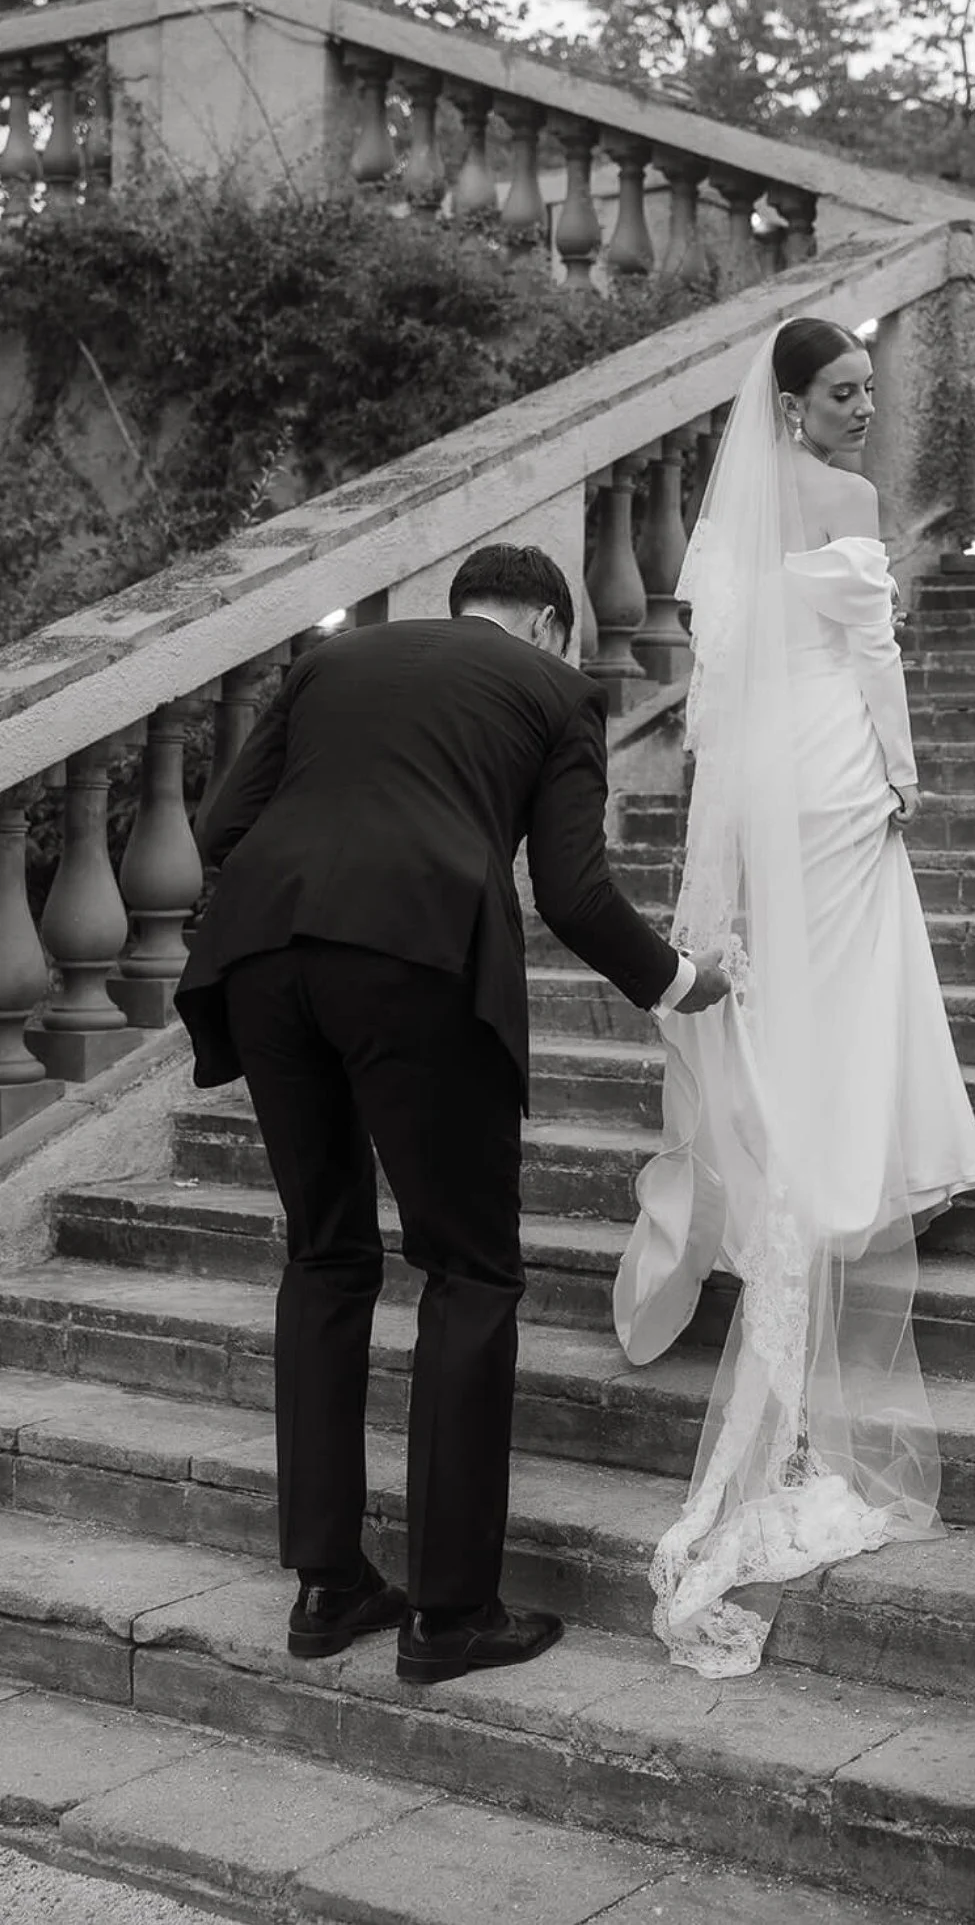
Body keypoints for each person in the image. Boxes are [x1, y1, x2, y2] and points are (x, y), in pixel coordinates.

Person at [175, 544, 729, 1685]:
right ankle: (449, 1612)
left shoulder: (334, 660)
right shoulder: (556, 690)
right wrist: (679, 979)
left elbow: (221, 823)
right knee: (469, 1271)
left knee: (326, 1253)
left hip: (264, 960)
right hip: (418, 959)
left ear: (467, 607)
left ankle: (328, 1585)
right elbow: (572, 892)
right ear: (549, 624)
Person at [612, 317, 975, 1678]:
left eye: (866, 395)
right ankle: (845, 1169)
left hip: (770, 774)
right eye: (840, 394)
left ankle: (833, 1151)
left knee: (815, 986)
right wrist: (902, 777)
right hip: (835, 771)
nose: (858, 414)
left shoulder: (722, 534)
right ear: (787, 405)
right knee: (851, 970)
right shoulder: (838, 502)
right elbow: (878, 656)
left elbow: (715, 692)